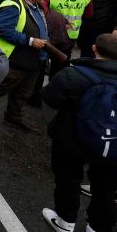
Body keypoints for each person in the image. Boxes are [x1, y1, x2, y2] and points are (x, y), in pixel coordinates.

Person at [41, 33, 117, 232]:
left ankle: (65, 221)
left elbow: (50, 98)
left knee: (68, 180)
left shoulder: (74, 74)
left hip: (71, 140)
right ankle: (97, 227)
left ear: (94, 49)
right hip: (113, 144)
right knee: (107, 189)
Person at [0, 0, 51, 132]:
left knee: (22, 93)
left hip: (32, 60)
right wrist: (30, 41)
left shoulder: (35, 4)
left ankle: (13, 118)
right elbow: (2, 29)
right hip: (15, 60)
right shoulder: (12, 5)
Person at [46, 0, 91, 74]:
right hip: (71, 35)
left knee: (40, 64)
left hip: (49, 34)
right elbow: (89, 14)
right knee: (61, 65)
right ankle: (58, 88)